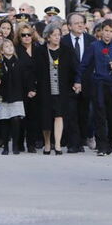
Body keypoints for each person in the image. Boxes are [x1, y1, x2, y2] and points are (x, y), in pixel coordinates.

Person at [79, 20, 112, 157]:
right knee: (99, 115)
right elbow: (84, 65)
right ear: (101, 31)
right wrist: (78, 81)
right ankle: (101, 146)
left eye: (111, 31)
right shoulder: (94, 46)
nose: (108, 34)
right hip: (98, 84)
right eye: (106, 31)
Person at [35, 23, 78, 155]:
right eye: (54, 35)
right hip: (45, 89)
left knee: (59, 116)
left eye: (59, 35)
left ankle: (58, 144)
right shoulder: (40, 51)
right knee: (46, 117)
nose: (57, 37)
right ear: (48, 37)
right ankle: (47, 143)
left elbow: (74, 69)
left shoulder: (67, 50)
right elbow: (34, 71)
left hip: (62, 89)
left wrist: (76, 82)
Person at [0, 39, 33, 155]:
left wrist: (31, 89)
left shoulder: (18, 62)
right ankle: (5, 146)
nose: (9, 48)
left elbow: (26, 78)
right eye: (6, 47)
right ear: (2, 51)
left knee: (15, 120)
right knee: (4, 120)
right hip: (3, 95)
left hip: (17, 94)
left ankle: (15, 145)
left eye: (11, 46)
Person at [62, 12, 95, 153]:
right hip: (68, 83)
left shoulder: (91, 40)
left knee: (84, 113)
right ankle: (73, 144)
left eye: (82, 22)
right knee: (70, 113)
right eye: (76, 23)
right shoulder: (63, 41)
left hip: (87, 83)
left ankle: (82, 140)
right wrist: (75, 81)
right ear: (69, 26)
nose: (80, 25)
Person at [15, 22, 42, 152]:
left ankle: (31, 143)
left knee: (34, 117)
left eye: (29, 34)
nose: (26, 37)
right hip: (21, 88)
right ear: (19, 37)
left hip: (37, 88)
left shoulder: (38, 49)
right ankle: (19, 143)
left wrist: (35, 88)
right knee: (21, 117)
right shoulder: (16, 50)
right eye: (23, 35)